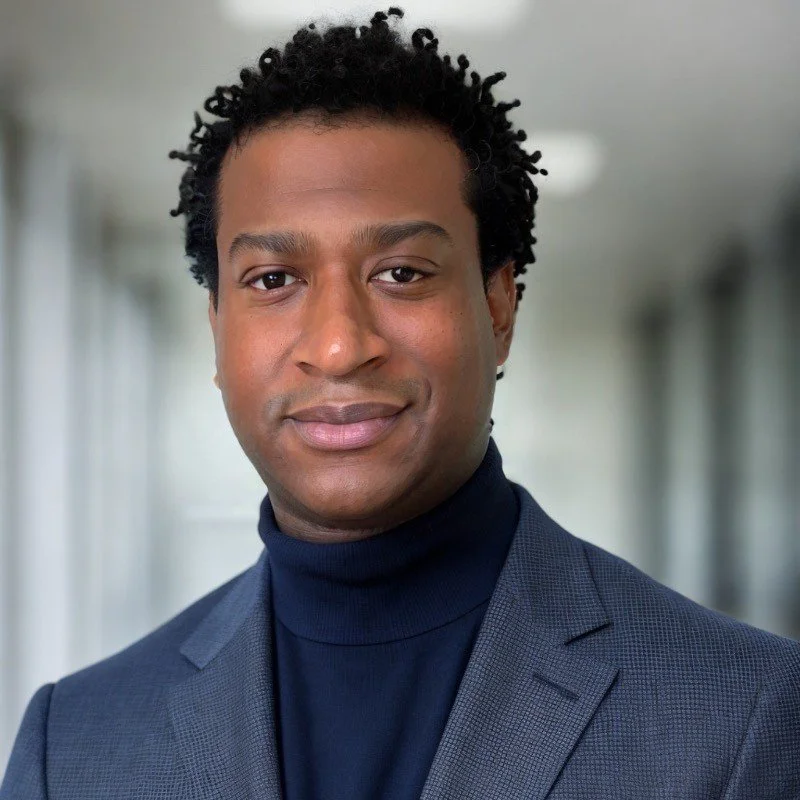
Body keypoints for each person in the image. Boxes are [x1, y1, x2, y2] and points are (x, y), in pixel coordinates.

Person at [2, 7, 799, 799]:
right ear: (218, 331)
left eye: (402, 273)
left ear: (498, 308)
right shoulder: (71, 749)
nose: (341, 346)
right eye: (274, 281)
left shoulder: (744, 716)